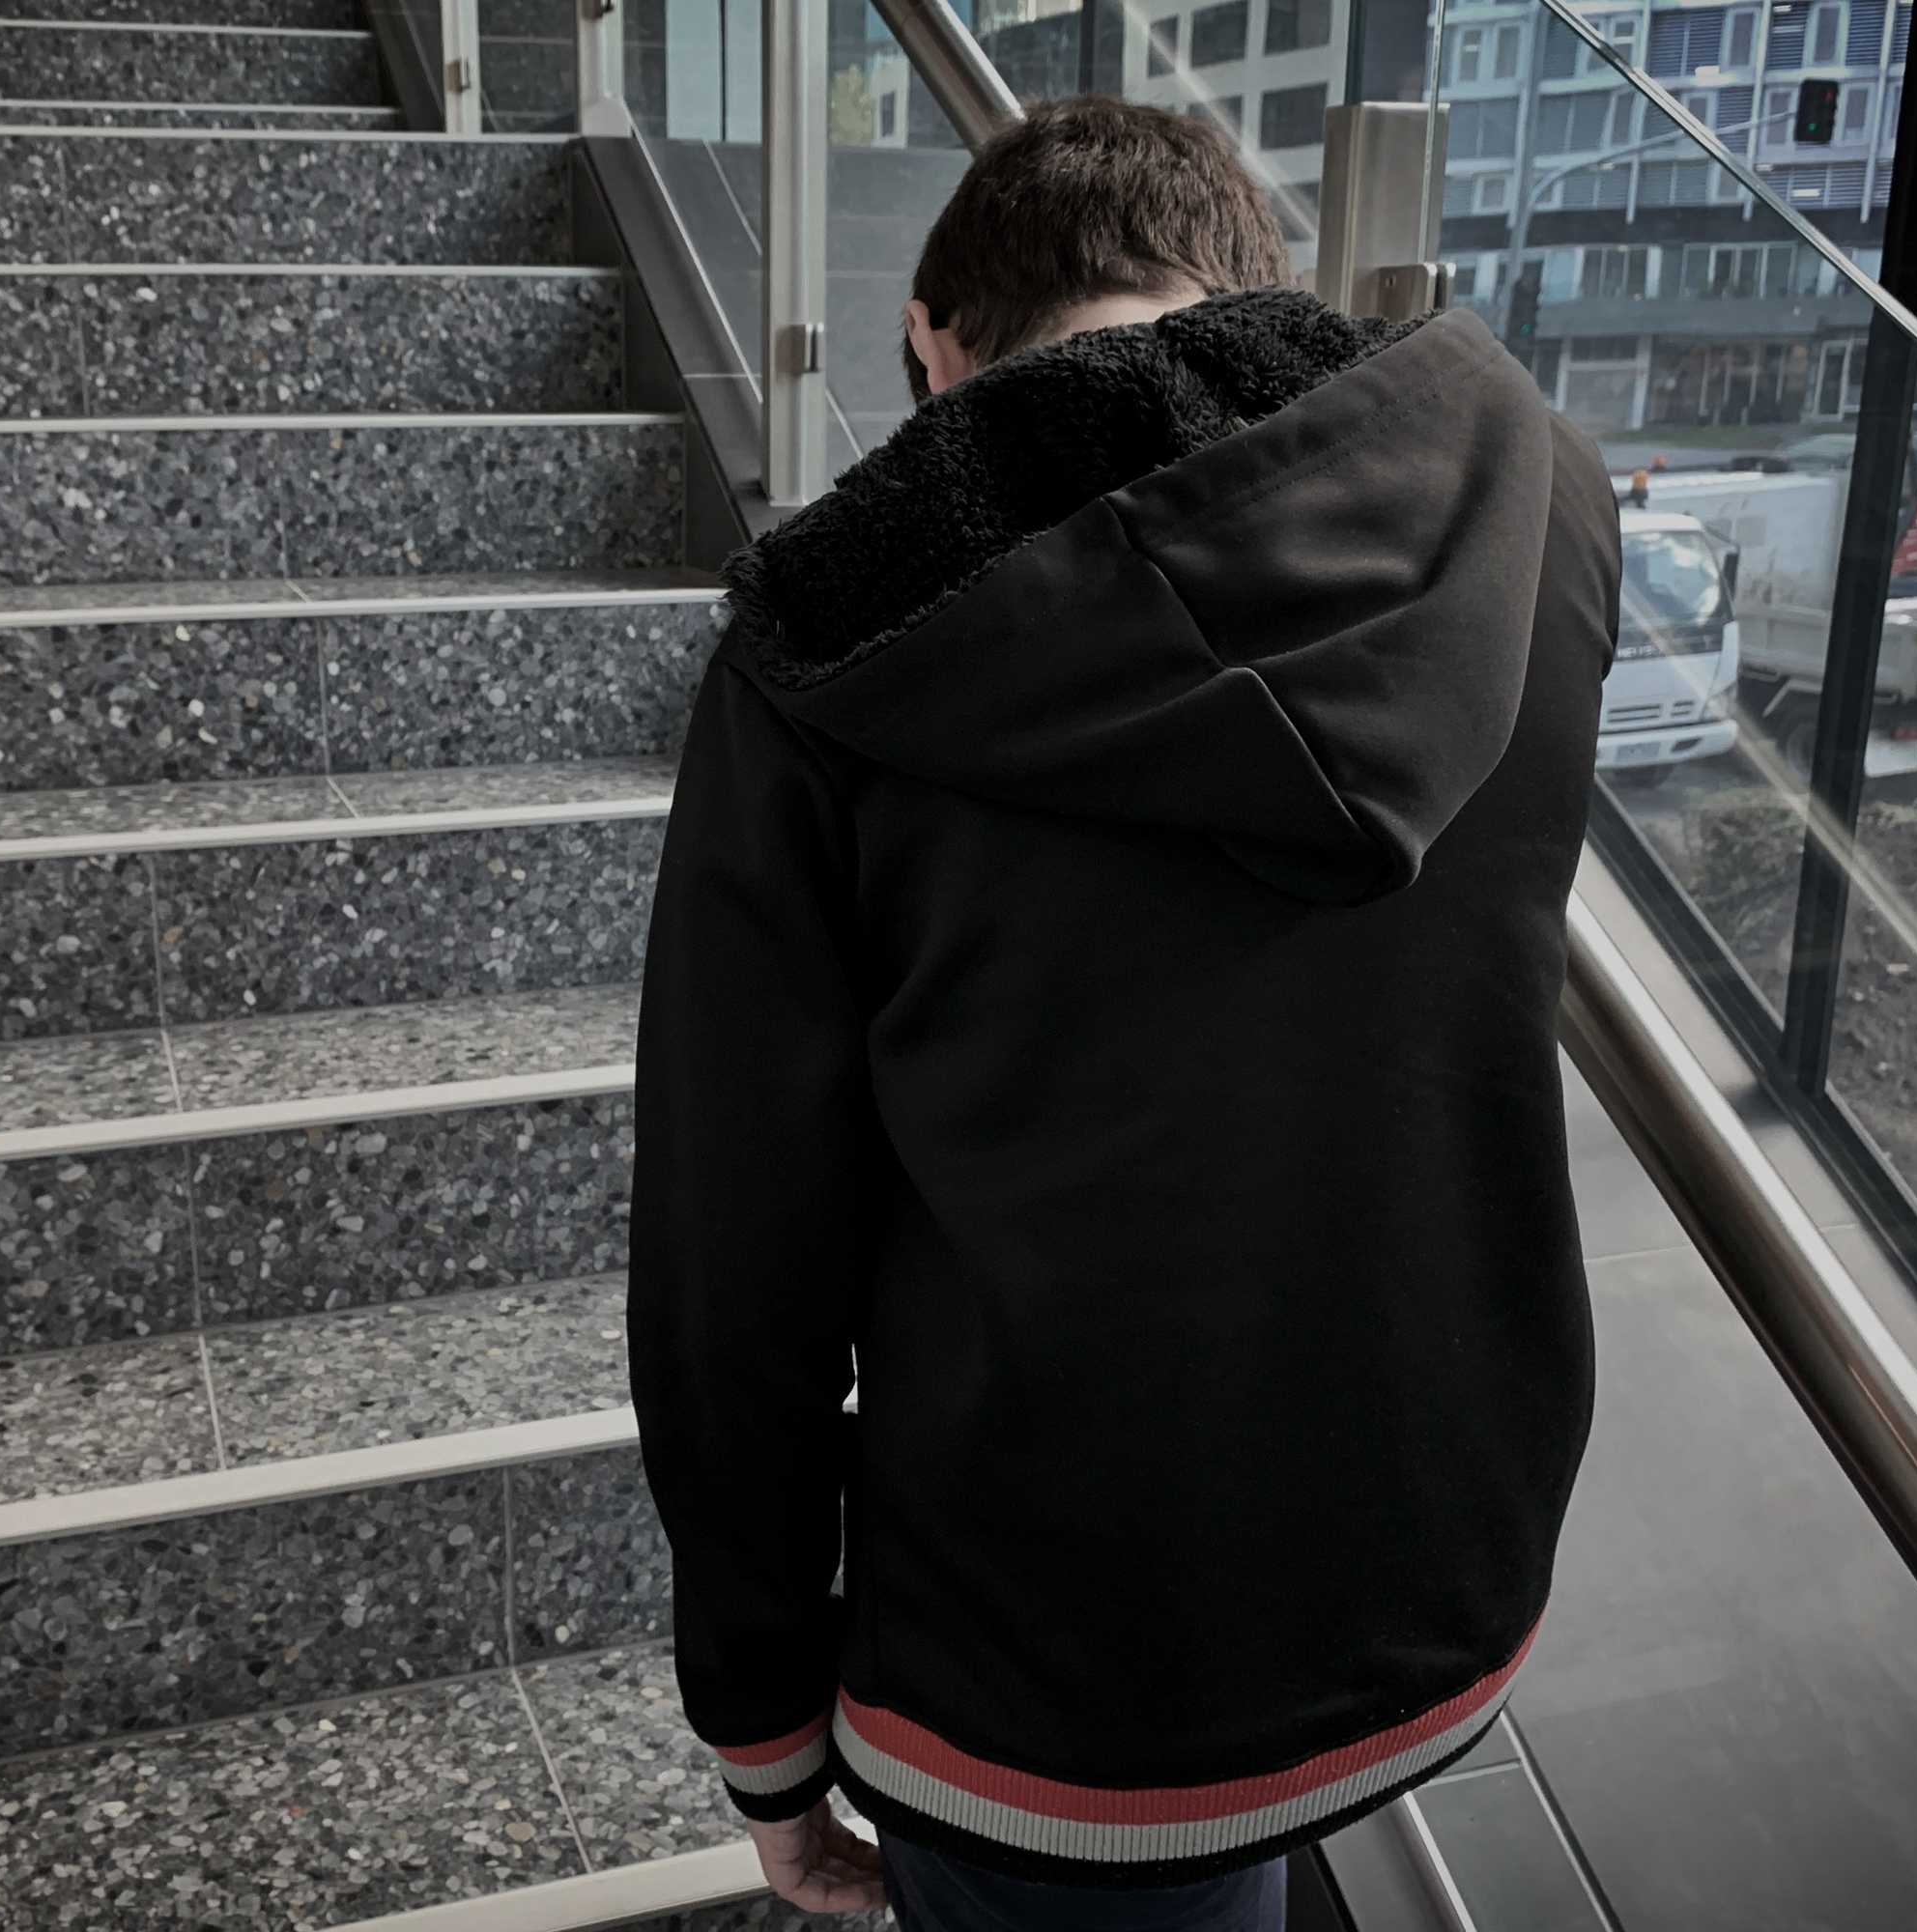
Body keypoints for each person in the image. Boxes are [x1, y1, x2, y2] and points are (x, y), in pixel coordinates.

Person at [627, 96, 1617, 1929]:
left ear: (937, 335)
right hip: (1434, 1557)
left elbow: (733, 1261)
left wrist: (762, 1726)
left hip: (1051, 1673)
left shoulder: (832, 652)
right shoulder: (1538, 492)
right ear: (1248, 284)